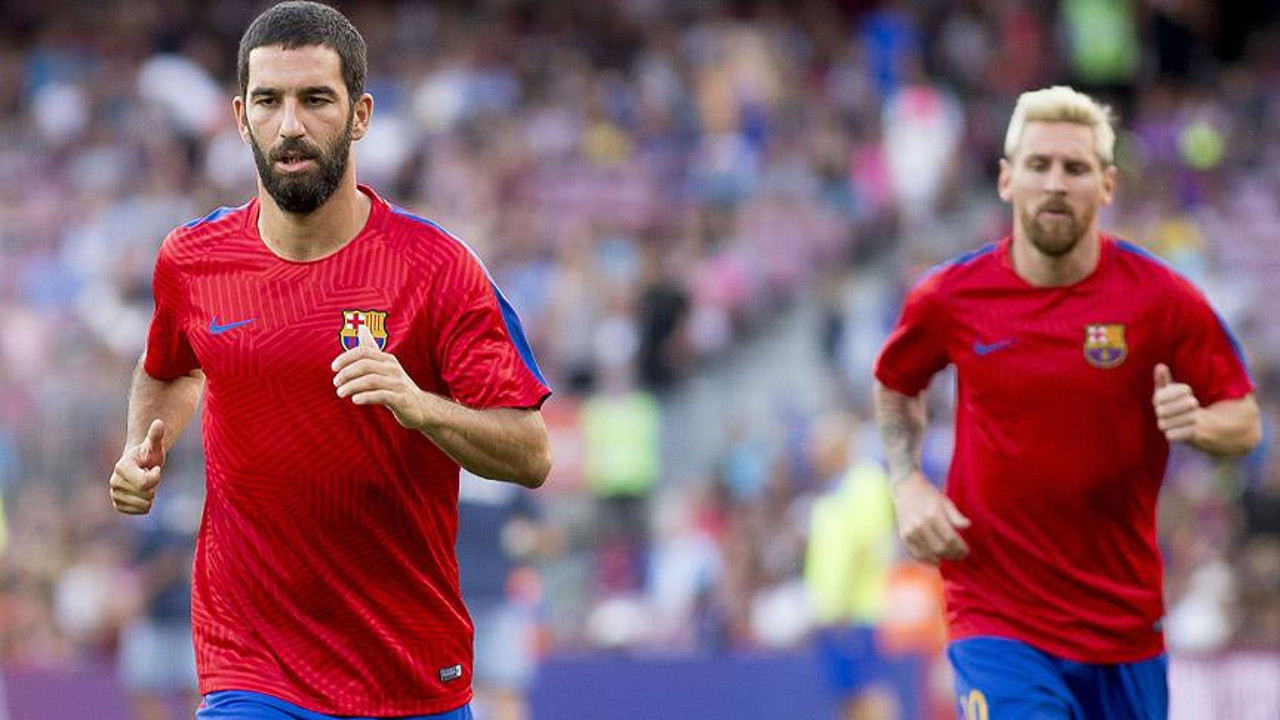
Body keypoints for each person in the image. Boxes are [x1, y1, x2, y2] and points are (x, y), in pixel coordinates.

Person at [107, 3, 552, 719]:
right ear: (241, 117)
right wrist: (140, 448)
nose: (290, 124)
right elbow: (171, 367)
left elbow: (531, 453)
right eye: (268, 101)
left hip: (408, 671)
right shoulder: (192, 260)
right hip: (251, 670)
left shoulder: (438, 269)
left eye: (315, 99)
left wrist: (421, 407)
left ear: (360, 115)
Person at [873, 85, 1260, 719]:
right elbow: (896, 382)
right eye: (1039, 164)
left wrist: (1199, 424)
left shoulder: (1161, 299)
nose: (1055, 183)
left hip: (1123, 628)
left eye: (1075, 168)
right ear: (1007, 180)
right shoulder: (949, 297)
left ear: (1107, 185)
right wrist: (906, 482)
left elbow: (1243, 420)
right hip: (996, 619)